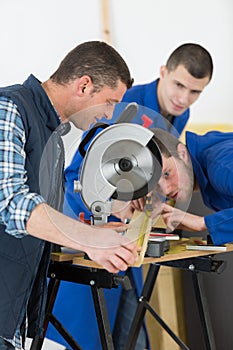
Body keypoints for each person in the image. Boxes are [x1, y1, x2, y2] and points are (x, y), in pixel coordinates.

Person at [47, 43, 214, 350]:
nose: (182, 98)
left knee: (130, 328)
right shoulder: (124, 104)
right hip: (97, 232)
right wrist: (110, 211)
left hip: (133, 235)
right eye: (178, 85)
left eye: (194, 92)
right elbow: (78, 174)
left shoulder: (180, 114)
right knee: (91, 333)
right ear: (163, 72)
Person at [0, 40, 143, 350]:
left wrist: (92, 233)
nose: (107, 114)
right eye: (108, 102)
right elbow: (13, 204)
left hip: (12, 314)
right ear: (84, 85)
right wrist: (89, 240)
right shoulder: (8, 108)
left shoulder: (55, 138)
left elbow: (37, 221)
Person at [151, 127, 233, 246]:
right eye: (156, 185)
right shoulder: (207, 155)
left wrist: (202, 223)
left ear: (182, 154)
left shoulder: (221, 166)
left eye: (167, 174)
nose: (166, 190)